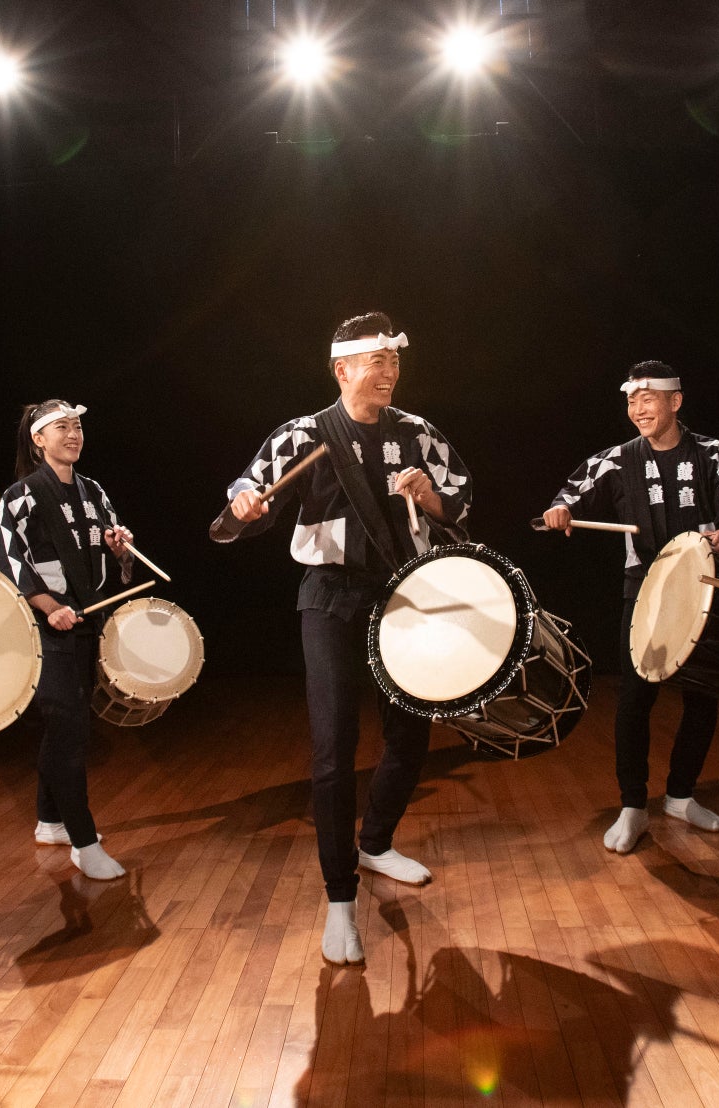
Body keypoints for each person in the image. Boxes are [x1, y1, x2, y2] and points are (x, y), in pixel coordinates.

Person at [217, 312, 472, 965]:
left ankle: (378, 840)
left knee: (411, 734)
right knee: (334, 748)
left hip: (402, 595)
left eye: (394, 360)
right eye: (375, 360)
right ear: (342, 370)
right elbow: (250, 487)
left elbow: (461, 501)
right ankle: (340, 901)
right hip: (328, 595)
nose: (388, 371)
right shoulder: (304, 434)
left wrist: (433, 498)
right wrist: (246, 502)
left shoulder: (417, 434)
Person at [541, 360, 719, 852]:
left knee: (702, 696)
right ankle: (632, 805)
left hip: (705, 586)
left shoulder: (711, 454)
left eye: (649, 399)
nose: (639, 409)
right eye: (631, 401)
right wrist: (561, 511)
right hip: (644, 586)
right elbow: (569, 496)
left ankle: (681, 795)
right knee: (635, 700)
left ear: (675, 402)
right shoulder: (619, 459)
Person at [0, 399, 136, 881]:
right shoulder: (20, 497)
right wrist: (50, 607)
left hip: (87, 620)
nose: (73, 435)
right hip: (45, 628)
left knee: (65, 728)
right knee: (69, 729)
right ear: (38, 439)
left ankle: (50, 821)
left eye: (77, 427)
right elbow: (9, 561)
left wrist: (121, 549)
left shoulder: (94, 492)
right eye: (61, 428)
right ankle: (84, 841)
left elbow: (117, 560)